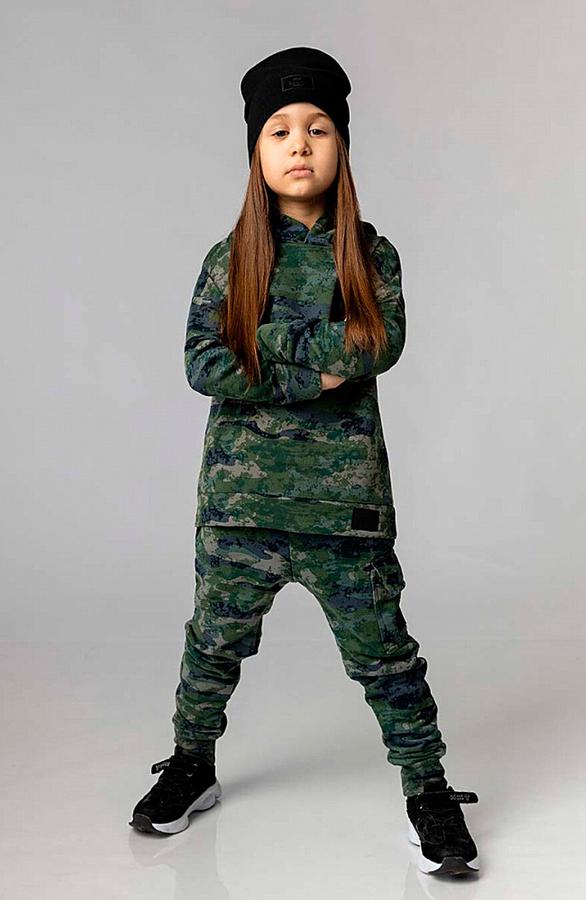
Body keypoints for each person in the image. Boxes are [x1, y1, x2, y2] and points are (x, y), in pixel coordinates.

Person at [129, 46, 480, 876]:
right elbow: (202, 363)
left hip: (343, 510)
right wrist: (308, 367)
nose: (298, 144)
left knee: (385, 657)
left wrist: (259, 343)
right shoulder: (230, 259)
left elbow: (374, 344)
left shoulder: (371, 256)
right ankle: (192, 764)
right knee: (212, 646)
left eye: (318, 129)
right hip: (240, 508)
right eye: (279, 130)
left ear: (341, 145)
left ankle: (427, 788)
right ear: (256, 149)